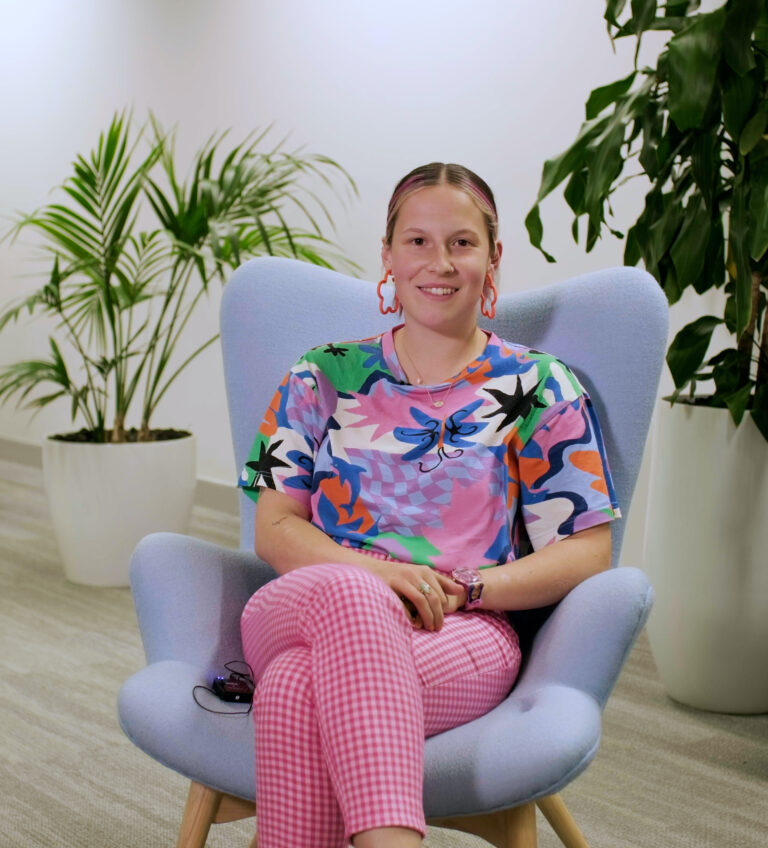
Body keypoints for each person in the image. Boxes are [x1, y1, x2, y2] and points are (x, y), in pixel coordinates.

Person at [237, 162, 621, 848]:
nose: (438, 262)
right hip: (302, 607)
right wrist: (379, 577)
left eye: (461, 243)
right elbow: (273, 526)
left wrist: (474, 588)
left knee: (296, 690)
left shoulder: (539, 386)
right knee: (349, 596)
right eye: (416, 241)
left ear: (493, 257)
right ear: (387, 255)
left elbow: (590, 548)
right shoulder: (320, 375)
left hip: (461, 627)